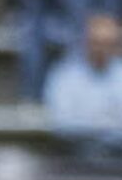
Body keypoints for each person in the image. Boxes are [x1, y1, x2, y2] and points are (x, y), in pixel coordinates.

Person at [42, 10, 122, 155]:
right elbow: (61, 121)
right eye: (97, 42)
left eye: (108, 44)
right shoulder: (64, 74)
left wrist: (91, 122)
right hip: (75, 153)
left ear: (116, 46)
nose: (102, 49)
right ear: (86, 42)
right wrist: (105, 123)